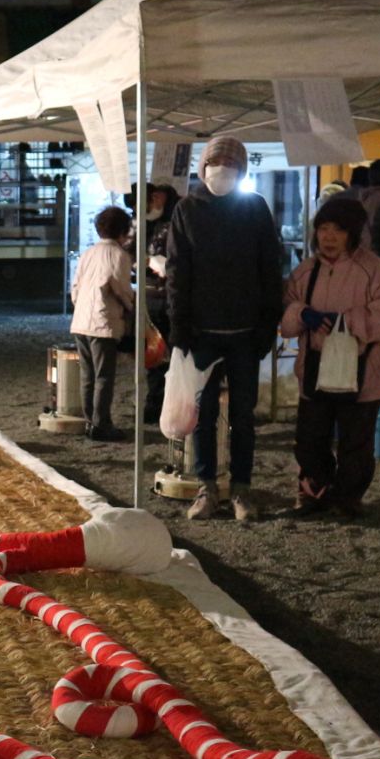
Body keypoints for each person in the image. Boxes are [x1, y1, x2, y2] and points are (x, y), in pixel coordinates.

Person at [167, 136, 285, 522]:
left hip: (245, 333)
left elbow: (270, 269)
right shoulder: (187, 209)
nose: (223, 171)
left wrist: (268, 325)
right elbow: (176, 273)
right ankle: (206, 488)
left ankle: (242, 489)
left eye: (231, 166)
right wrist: (179, 327)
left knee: (243, 416)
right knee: (201, 415)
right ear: (202, 168)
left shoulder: (254, 208)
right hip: (201, 333)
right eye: (216, 164)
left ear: (243, 171)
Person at [279, 198, 380, 520]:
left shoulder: (376, 271)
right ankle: (312, 492)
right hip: (315, 367)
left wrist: (345, 322)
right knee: (310, 437)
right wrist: (301, 313)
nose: (329, 236)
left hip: (364, 369)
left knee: (355, 440)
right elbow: (287, 316)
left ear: (353, 234)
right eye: (323, 229)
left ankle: (347, 498)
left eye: (338, 230)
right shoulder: (305, 272)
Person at [71, 206, 137, 441]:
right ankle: (101, 424)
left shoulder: (88, 253)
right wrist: (132, 307)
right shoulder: (120, 255)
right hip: (103, 321)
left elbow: (75, 288)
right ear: (122, 231)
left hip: (80, 321)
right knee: (104, 376)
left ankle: (90, 421)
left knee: (87, 375)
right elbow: (121, 289)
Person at [141, 182, 180, 423]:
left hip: (169, 298)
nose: (153, 204)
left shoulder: (176, 225)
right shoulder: (147, 225)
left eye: (157, 199)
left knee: (171, 353)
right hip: (150, 298)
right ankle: (154, 402)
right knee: (153, 353)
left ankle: (166, 403)